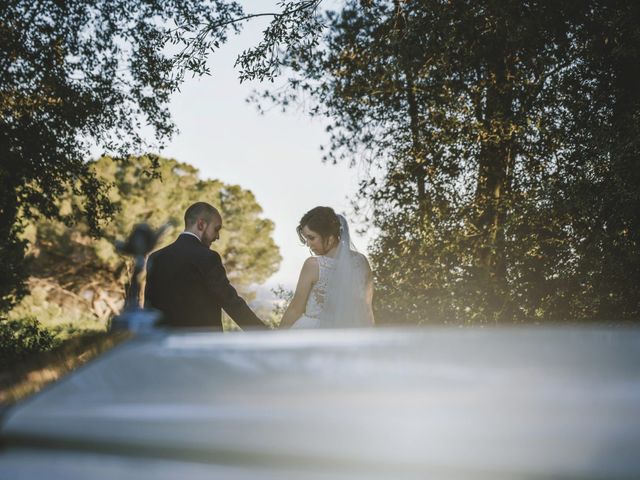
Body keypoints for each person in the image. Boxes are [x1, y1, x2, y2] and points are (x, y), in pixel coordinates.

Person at [144, 202, 267, 330]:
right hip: (202, 345)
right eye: (216, 229)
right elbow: (230, 302)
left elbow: (149, 307)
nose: (218, 236)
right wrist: (264, 334)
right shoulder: (208, 257)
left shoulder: (156, 257)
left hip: (163, 345)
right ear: (201, 224)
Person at [280, 206, 374, 329]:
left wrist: (277, 340)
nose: (308, 243)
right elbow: (367, 309)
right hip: (348, 334)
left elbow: (295, 310)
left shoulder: (313, 265)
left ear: (330, 238)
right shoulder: (361, 262)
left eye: (311, 237)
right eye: (306, 238)